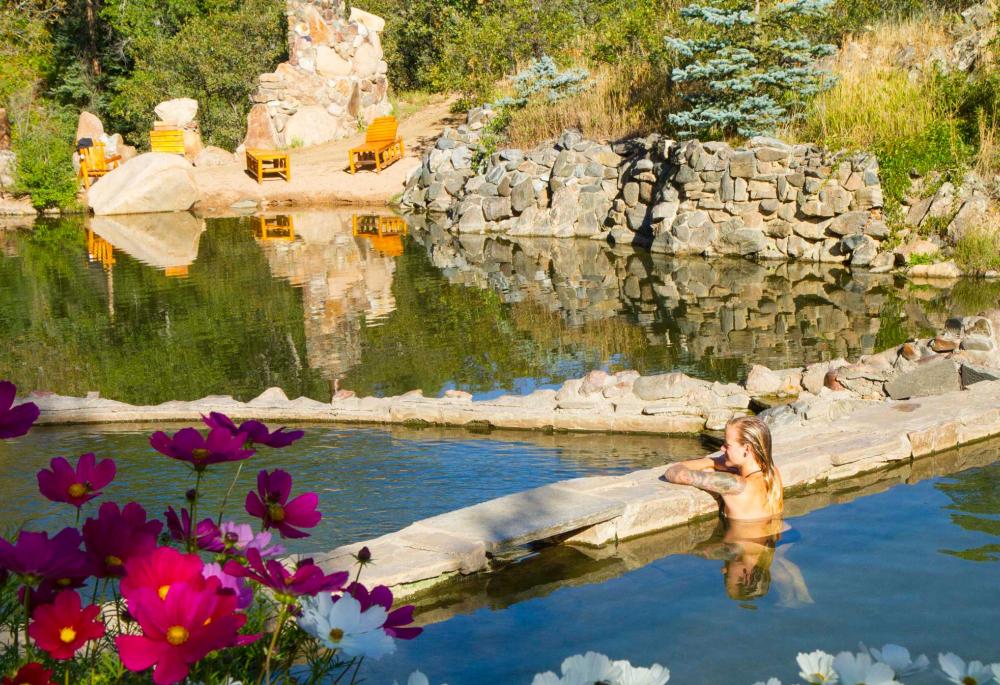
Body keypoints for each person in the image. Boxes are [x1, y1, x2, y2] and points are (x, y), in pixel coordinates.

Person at [664, 415, 783, 520]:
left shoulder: (733, 484)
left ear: (747, 449)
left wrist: (712, 461)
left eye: (727, 445)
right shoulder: (773, 472)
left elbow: (674, 473)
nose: (722, 449)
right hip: (771, 541)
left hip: (742, 545)